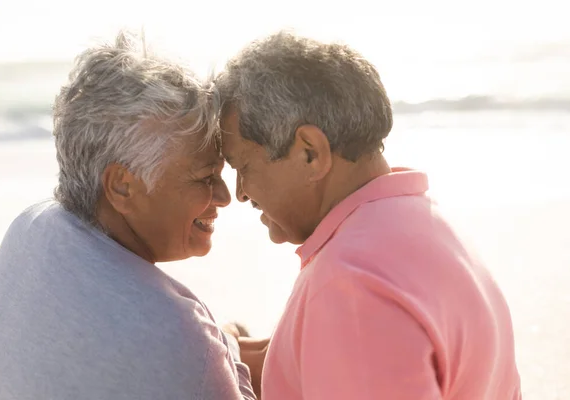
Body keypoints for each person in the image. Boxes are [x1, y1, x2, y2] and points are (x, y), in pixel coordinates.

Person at [215, 31, 522, 400]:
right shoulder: (428, 226)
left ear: (310, 152)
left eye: (242, 166)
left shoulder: (351, 284)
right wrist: (233, 352)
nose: (240, 192)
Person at [0, 31, 256, 400]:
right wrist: (225, 350)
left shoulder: (32, 226)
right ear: (122, 186)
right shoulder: (178, 328)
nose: (224, 196)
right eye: (204, 178)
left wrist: (223, 345)